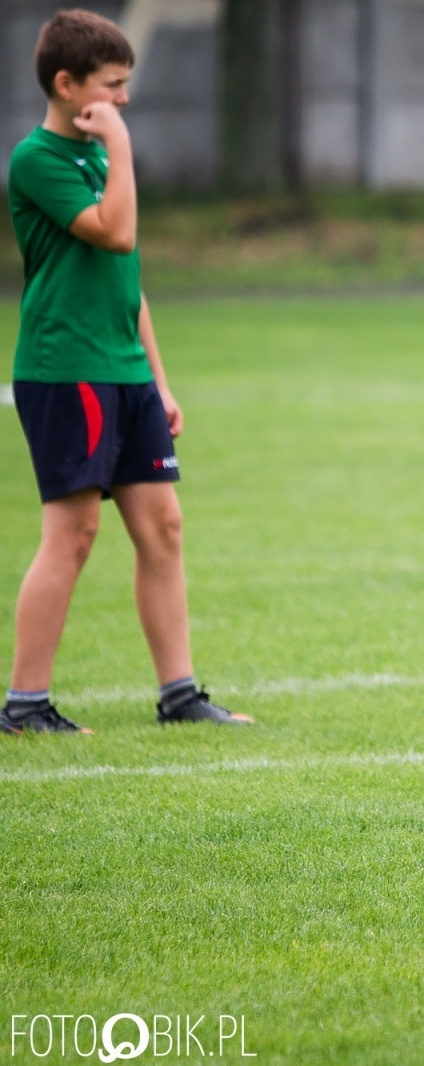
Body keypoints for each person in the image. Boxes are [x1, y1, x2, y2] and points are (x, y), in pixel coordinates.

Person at [3, 10, 251, 735]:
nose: (124, 100)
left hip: (124, 368)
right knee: (73, 533)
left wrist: (159, 380)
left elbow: (125, 277)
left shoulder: (102, 155)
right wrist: (120, 146)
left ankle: (179, 695)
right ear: (66, 84)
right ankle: (23, 706)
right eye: (113, 88)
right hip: (66, 368)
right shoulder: (37, 159)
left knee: (163, 526)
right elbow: (118, 231)